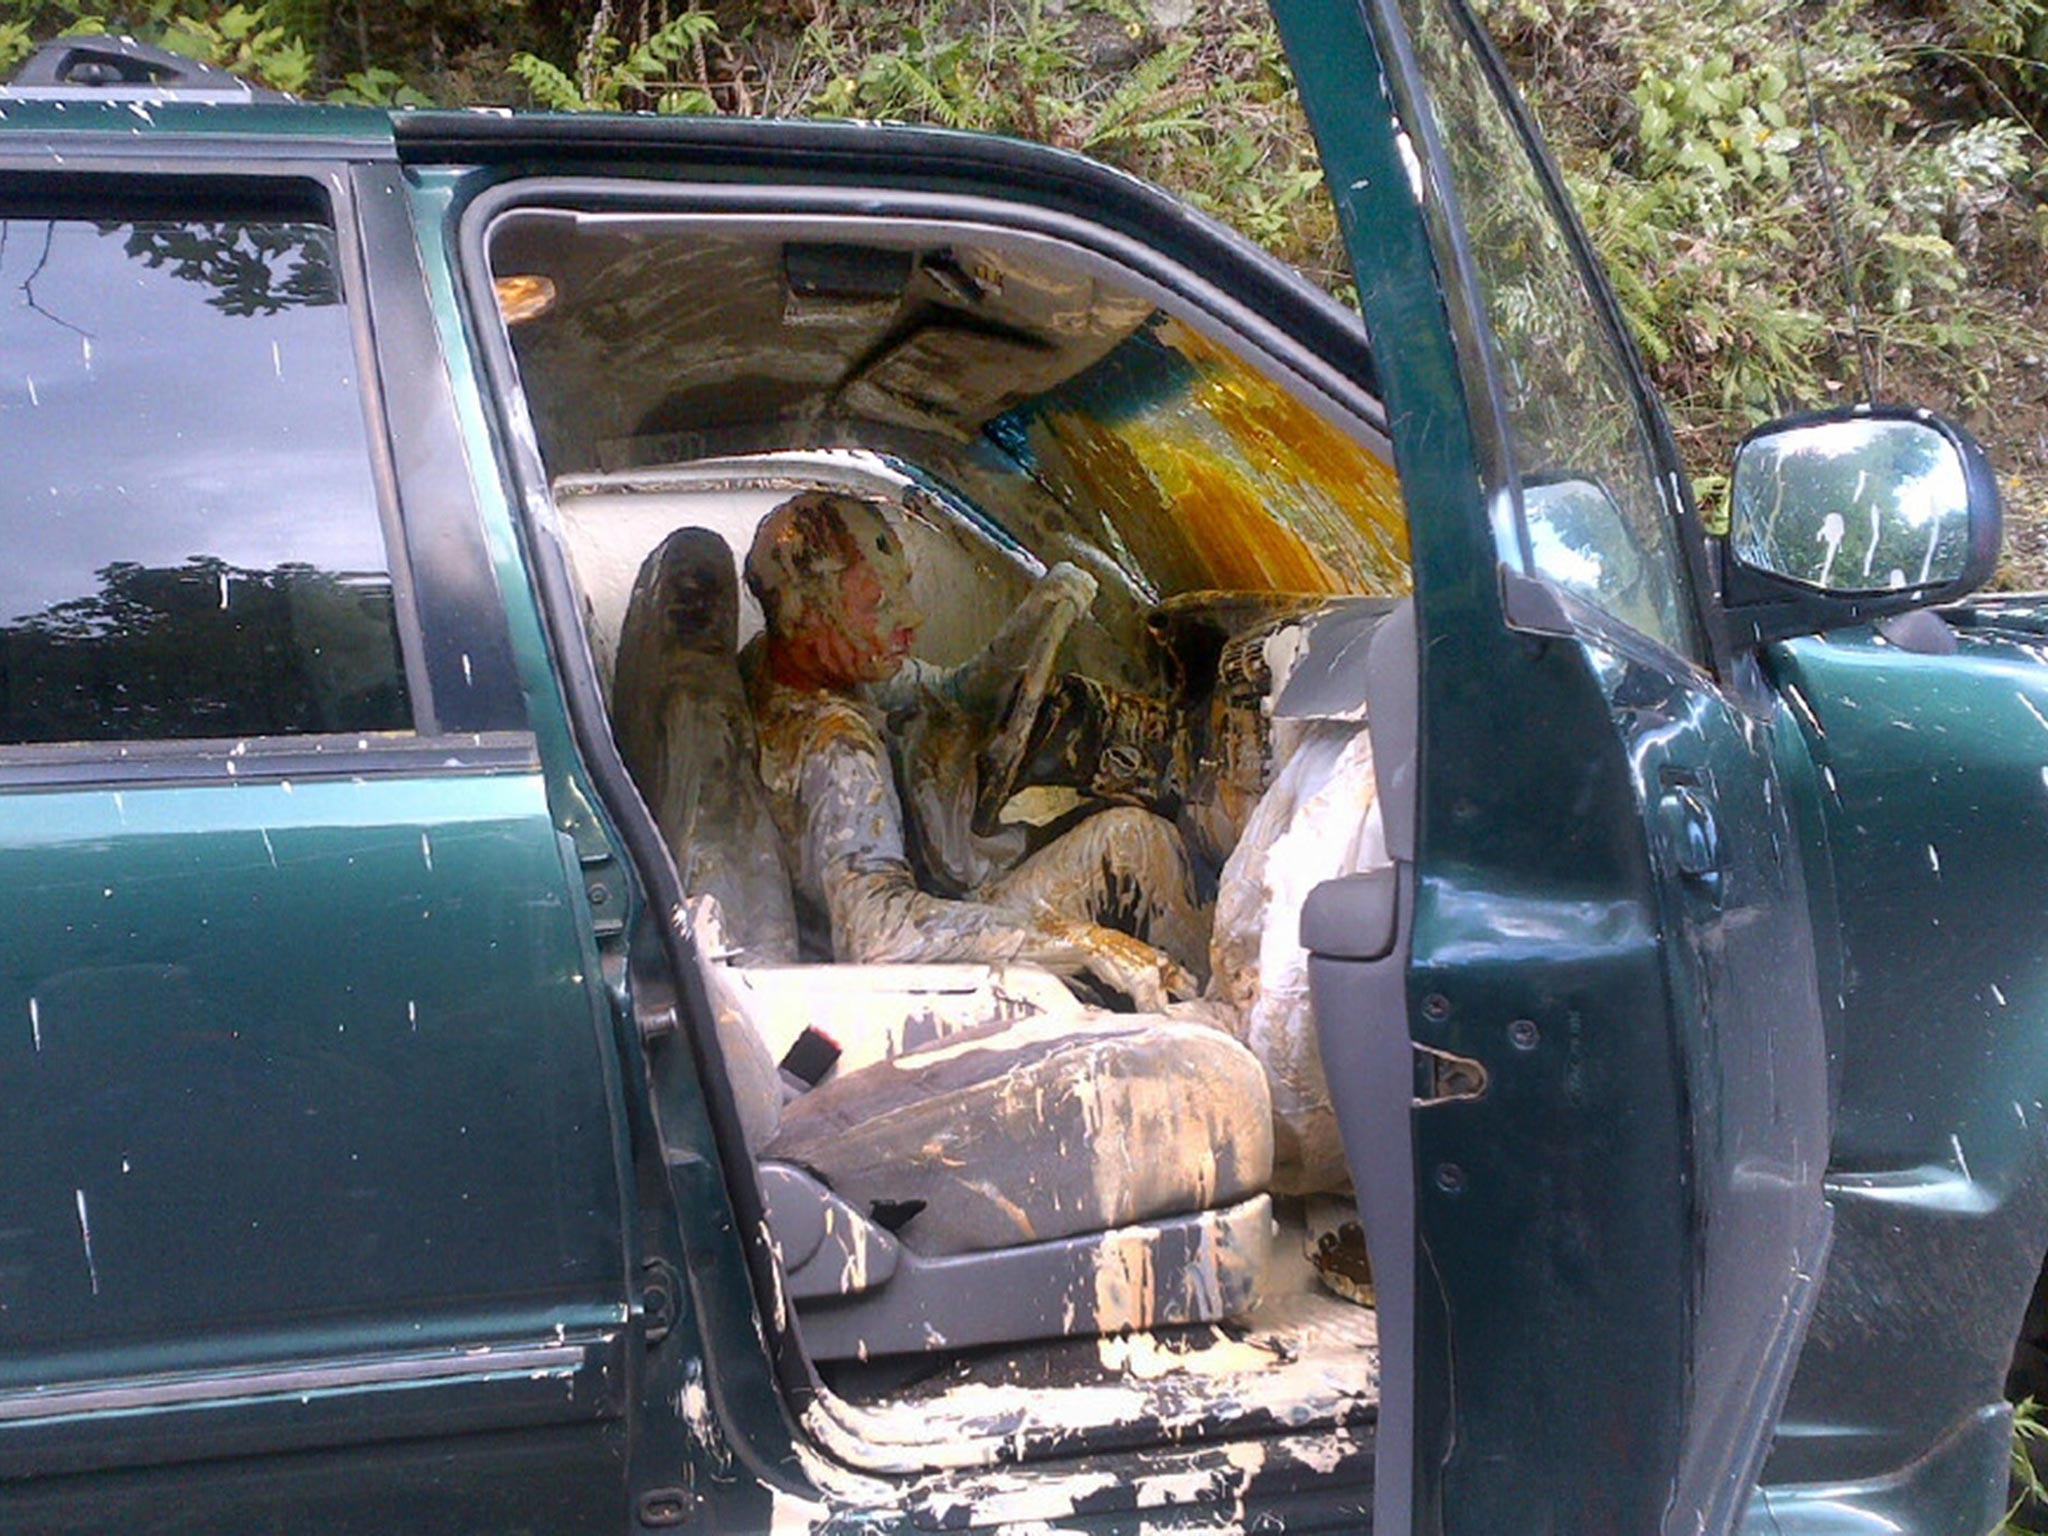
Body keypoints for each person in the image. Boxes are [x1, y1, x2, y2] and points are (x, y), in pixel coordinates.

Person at [743, 488, 1207, 1012]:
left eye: (905, 590)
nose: (912, 617)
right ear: (803, 615)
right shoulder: (837, 749)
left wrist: (1038, 621)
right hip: (906, 975)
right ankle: (1203, 1007)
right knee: (1139, 843)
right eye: (880, 604)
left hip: (919, 913)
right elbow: (877, 933)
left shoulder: (791, 666)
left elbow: (951, 695)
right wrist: (1078, 942)